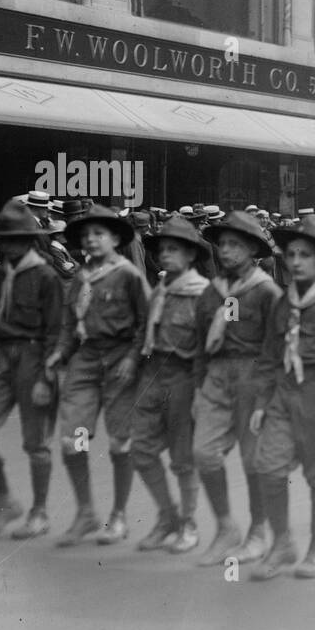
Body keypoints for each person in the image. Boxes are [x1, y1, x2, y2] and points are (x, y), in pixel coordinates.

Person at [248, 215, 315, 580]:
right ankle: (282, 543)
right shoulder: (284, 300)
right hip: (284, 394)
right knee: (269, 468)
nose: (295, 261)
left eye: (305, 255)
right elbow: (269, 355)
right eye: (291, 254)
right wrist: (262, 403)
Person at [48, 204, 150, 546]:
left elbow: (145, 323)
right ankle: (86, 512)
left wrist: (133, 358)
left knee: (121, 443)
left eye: (98, 234)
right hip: (86, 360)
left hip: (120, 359)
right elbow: (68, 321)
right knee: (72, 441)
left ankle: (119, 515)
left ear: (115, 238)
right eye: (86, 235)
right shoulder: (80, 275)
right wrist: (61, 352)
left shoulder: (129, 275)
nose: (91, 240)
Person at [0, 200, 64, 540]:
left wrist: (47, 377)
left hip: (33, 358)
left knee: (36, 442)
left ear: (28, 240)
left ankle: (39, 512)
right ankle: (6, 499)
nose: (6, 244)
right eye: (2, 238)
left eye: (14, 239)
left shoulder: (46, 276)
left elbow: (55, 330)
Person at [194, 211, 285, 565]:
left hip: (254, 376)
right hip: (217, 376)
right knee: (203, 452)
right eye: (223, 245)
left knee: (253, 460)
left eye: (235, 245)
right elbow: (202, 340)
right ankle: (225, 527)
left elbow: (276, 349)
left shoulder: (266, 292)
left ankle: (258, 532)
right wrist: (200, 387)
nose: (226, 251)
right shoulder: (213, 292)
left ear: (252, 251)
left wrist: (266, 398)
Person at [127, 216, 211, 553]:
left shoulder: (205, 294)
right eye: (162, 250)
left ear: (191, 255)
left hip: (185, 377)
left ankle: (188, 523)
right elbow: (143, 331)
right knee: (141, 451)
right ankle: (167, 517)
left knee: (182, 458)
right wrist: (131, 364)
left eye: (173, 250)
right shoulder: (159, 290)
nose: (164, 255)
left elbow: (211, 348)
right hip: (152, 376)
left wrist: (202, 393)